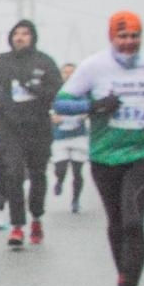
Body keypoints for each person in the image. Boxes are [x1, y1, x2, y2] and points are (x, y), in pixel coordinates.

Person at [53, 10, 144, 286]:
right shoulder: (93, 67)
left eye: (134, 36)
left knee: (133, 220)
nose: (129, 43)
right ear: (112, 38)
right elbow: (61, 103)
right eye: (123, 37)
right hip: (105, 155)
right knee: (117, 223)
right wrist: (94, 106)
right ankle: (125, 282)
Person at [0, 19, 62, 248]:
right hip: (11, 128)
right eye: (16, 34)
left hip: (38, 126)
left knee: (38, 174)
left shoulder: (44, 61)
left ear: (33, 37)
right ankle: (17, 226)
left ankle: (36, 217)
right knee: (14, 174)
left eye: (25, 33)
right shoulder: (1, 62)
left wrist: (41, 91)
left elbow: (58, 89)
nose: (20, 37)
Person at [51, 62, 89, 214]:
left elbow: (90, 108)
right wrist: (53, 117)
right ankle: (59, 180)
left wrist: (84, 116)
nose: (69, 75)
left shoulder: (83, 92)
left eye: (72, 73)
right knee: (60, 168)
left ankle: (75, 200)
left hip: (78, 135)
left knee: (77, 171)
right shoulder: (56, 92)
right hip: (60, 136)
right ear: (61, 75)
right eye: (65, 73)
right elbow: (48, 110)